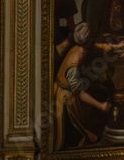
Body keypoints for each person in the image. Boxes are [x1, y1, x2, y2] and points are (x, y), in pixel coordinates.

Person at [53, 23, 124, 151]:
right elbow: (79, 94)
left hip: (75, 94)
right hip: (67, 100)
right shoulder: (73, 63)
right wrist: (101, 106)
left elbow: (98, 46)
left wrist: (115, 47)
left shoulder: (82, 47)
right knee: (82, 131)